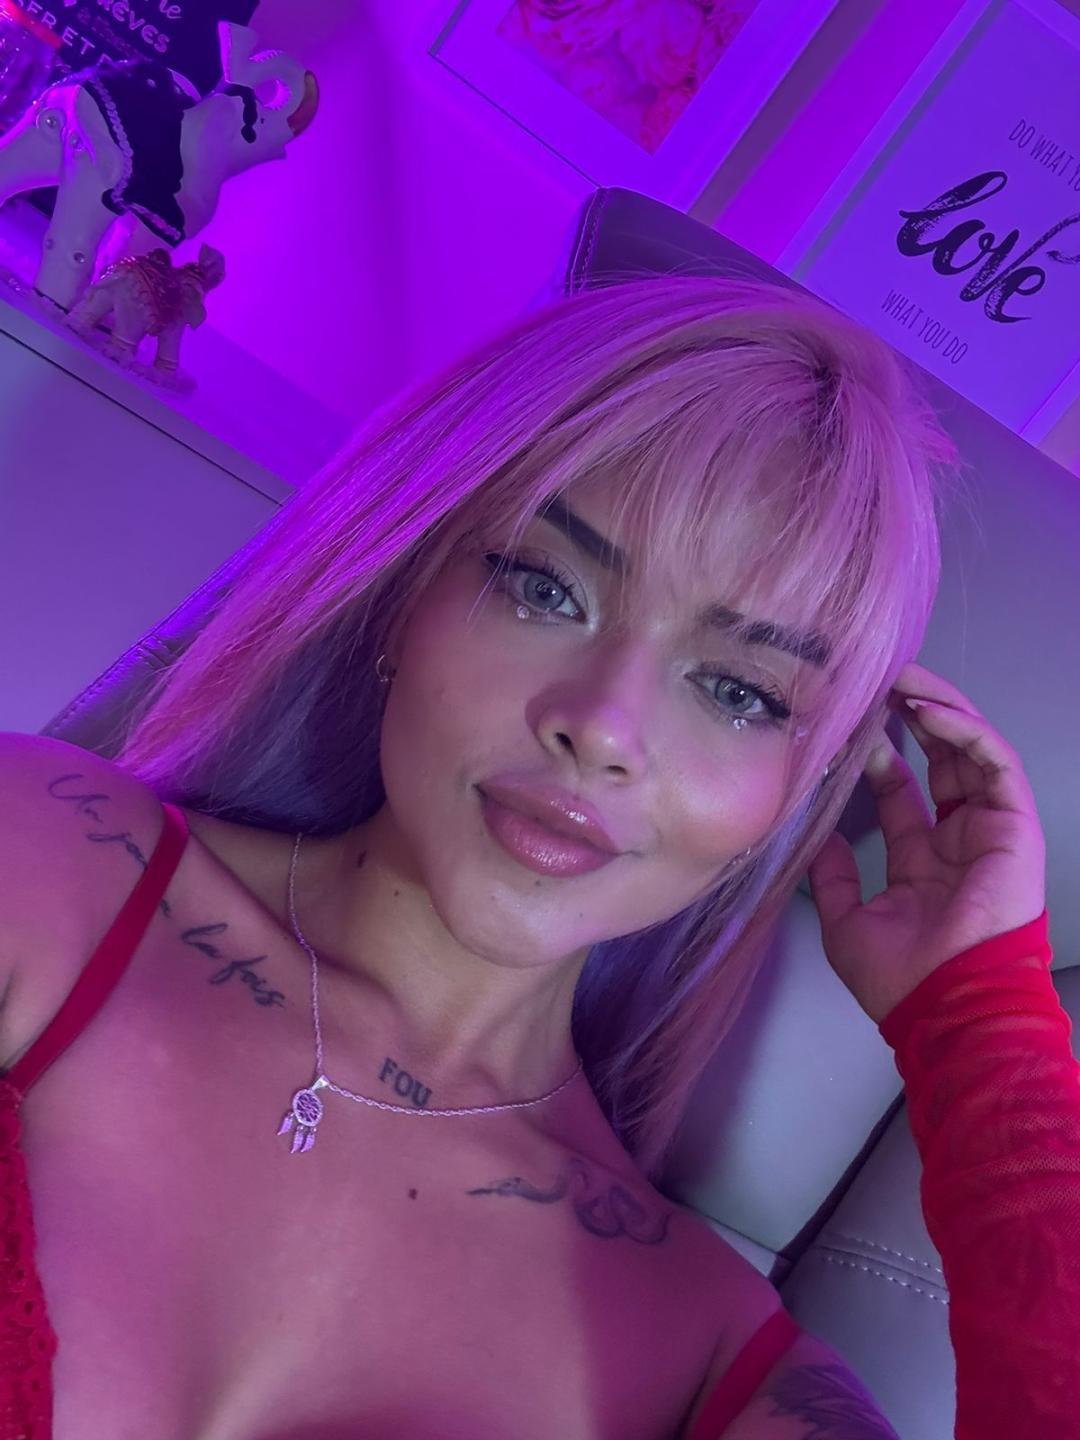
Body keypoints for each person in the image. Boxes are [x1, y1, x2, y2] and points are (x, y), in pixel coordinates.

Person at [0, 275, 1073, 1438]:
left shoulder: (709, 1363)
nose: (602, 728)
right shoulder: (46, 859)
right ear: (409, 586)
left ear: (790, 799)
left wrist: (983, 1028)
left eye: (738, 691)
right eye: (546, 588)